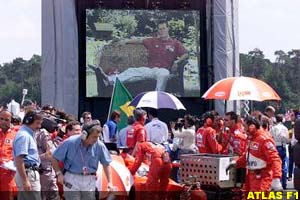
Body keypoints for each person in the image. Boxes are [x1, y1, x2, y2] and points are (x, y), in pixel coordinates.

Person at [102, 20, 188, 92]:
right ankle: (110, 80)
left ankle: (158, 97)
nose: (161, 31)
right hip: (149, 69)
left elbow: (185, 54)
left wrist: (177, 61)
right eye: (159, 29)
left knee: (163, 74)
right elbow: (139, 41)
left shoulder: (175, 43)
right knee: (132, 71)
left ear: (168, 29)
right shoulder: (153, 41)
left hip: (164, 70)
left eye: (163, 28)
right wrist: (125, 41)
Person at [51, 120, 113, 200]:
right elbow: (54, 158)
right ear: (84, 135)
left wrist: (110, 182)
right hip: (71, 178)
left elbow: (106, 164)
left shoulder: (99, 145)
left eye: (98, 137)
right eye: (94, 137)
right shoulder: (70, 142)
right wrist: (59, 174)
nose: (96, 139)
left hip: (90, 179)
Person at [228, 116, 282, 192]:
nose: (244, 129)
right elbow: (248, 155)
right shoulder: (252, 138)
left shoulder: (264, 139)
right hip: (251, 178)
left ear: (252, 126)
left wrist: (276, 179)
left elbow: (275, 159)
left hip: (262, 179)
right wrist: (236, 163)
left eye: (245, 126)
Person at [13, 110, 43, 200]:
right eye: (37, 123)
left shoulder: (27, 134)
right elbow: (19, 159)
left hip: (28, 172)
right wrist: (25, 180)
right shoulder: (24, 136)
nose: (39, 126)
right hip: (28, 174)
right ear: (28, 121)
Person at [36, 128, 59, 200]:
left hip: (46, 170)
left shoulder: (41, 133)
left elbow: (51, 153)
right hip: (41, 171)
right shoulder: (39, 133)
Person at [0, 110, 17, 200]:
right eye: (1, 119)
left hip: (8, 174)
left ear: (11, 120)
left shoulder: (16, 135)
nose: (3, 121)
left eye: (6, 120)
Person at [270, 114, 289, 189]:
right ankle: (284, 184)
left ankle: (277, 184)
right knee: (283, 166)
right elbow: (287, 139)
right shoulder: (285, 128)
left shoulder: (273, 128)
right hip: (283, 146)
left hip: (275, 147)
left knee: (275, 166)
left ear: (275, 120)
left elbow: (270, 137)